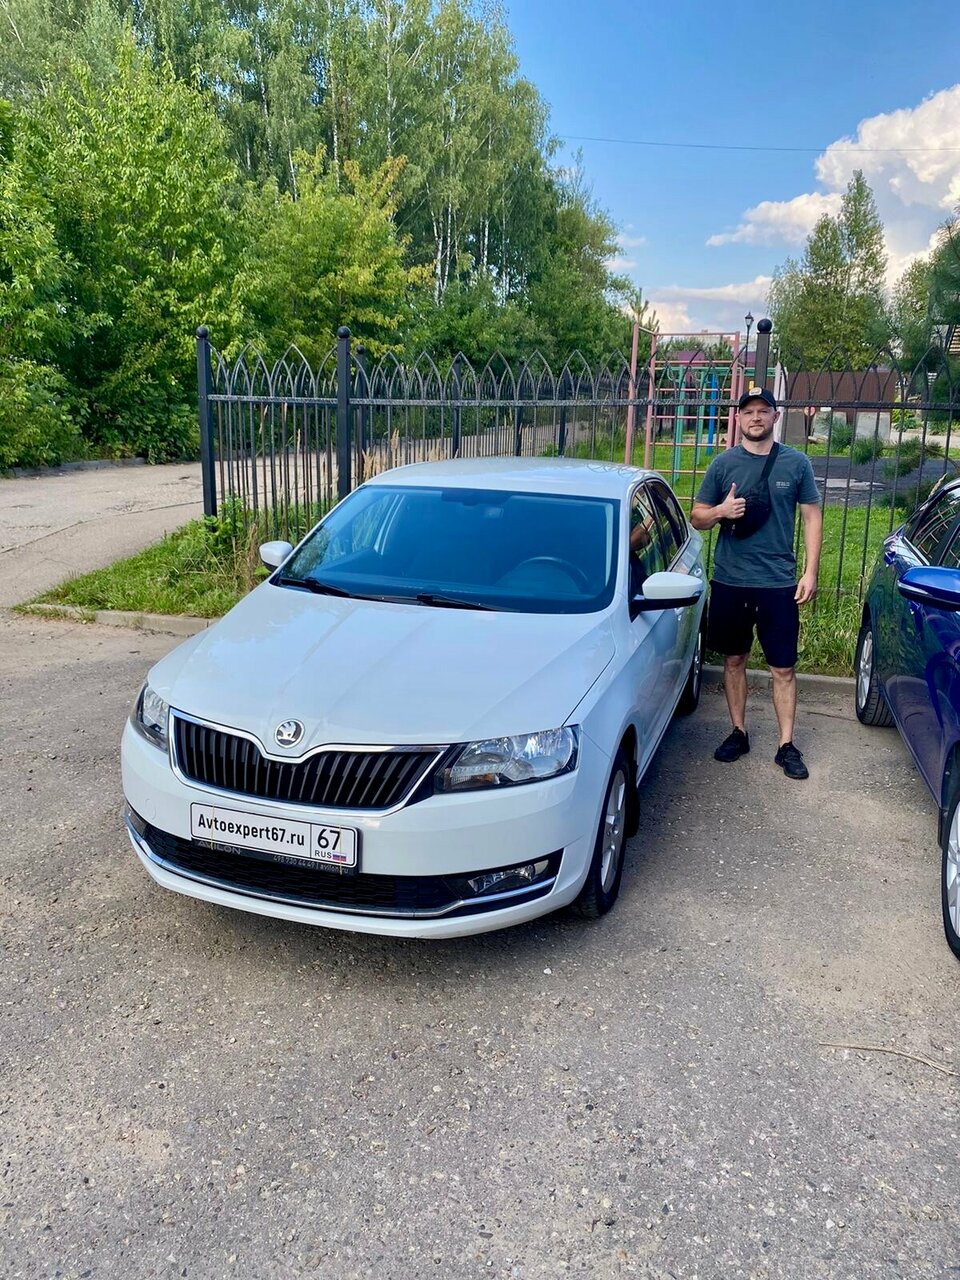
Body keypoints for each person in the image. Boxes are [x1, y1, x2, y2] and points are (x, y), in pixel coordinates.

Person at [690, 386, 822, 780]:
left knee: (783, 667)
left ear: (775, 417)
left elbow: (812, 516)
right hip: (731, 580)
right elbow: (697, 517)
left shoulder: (796, 464)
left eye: (763, 411)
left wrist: (810, 572)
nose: (756, 418)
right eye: (748, 412)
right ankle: (738, 732)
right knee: (734, 660)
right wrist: (721, 510)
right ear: (738, 419)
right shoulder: (723, 464)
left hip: (778, 583)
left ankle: (786, 745)